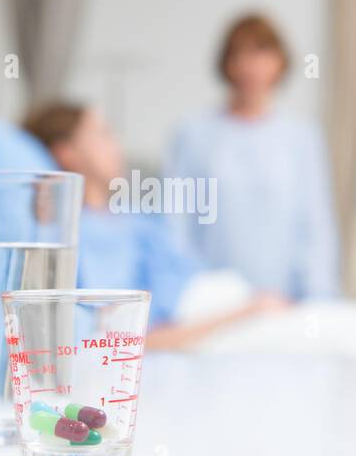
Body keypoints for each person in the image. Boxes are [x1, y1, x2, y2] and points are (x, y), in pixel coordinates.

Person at [22, 102, 286, 349]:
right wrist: (246, 313)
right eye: (103, 135)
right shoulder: (71, 236)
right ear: (66, 153)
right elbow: (116, 340)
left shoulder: (139, 222)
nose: (116, 146)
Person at [165, 14, 339, 301]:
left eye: (260, 53)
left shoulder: (302, 137)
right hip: (211, 304)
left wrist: (319, 299)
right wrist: (188, 295)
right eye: (239, 54)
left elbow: (316, 226)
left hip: (285, 302)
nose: (249, 66)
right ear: (226, 64)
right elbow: (176, 224)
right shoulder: (193, 134)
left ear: (280, 62)